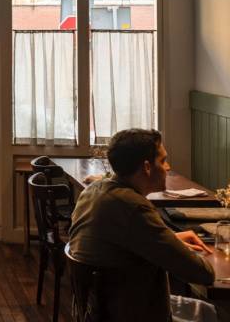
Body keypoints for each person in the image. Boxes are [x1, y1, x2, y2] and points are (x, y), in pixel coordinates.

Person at [69, 129, 215, 321]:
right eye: (163, 161)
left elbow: (123, 241)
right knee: (209, 312)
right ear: (147, 167)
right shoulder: (133, 207)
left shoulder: (94, 191)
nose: (168, 167)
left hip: (98, 312)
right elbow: (203, 274)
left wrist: (172, 238)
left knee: (202, 310)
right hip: (131, 312)